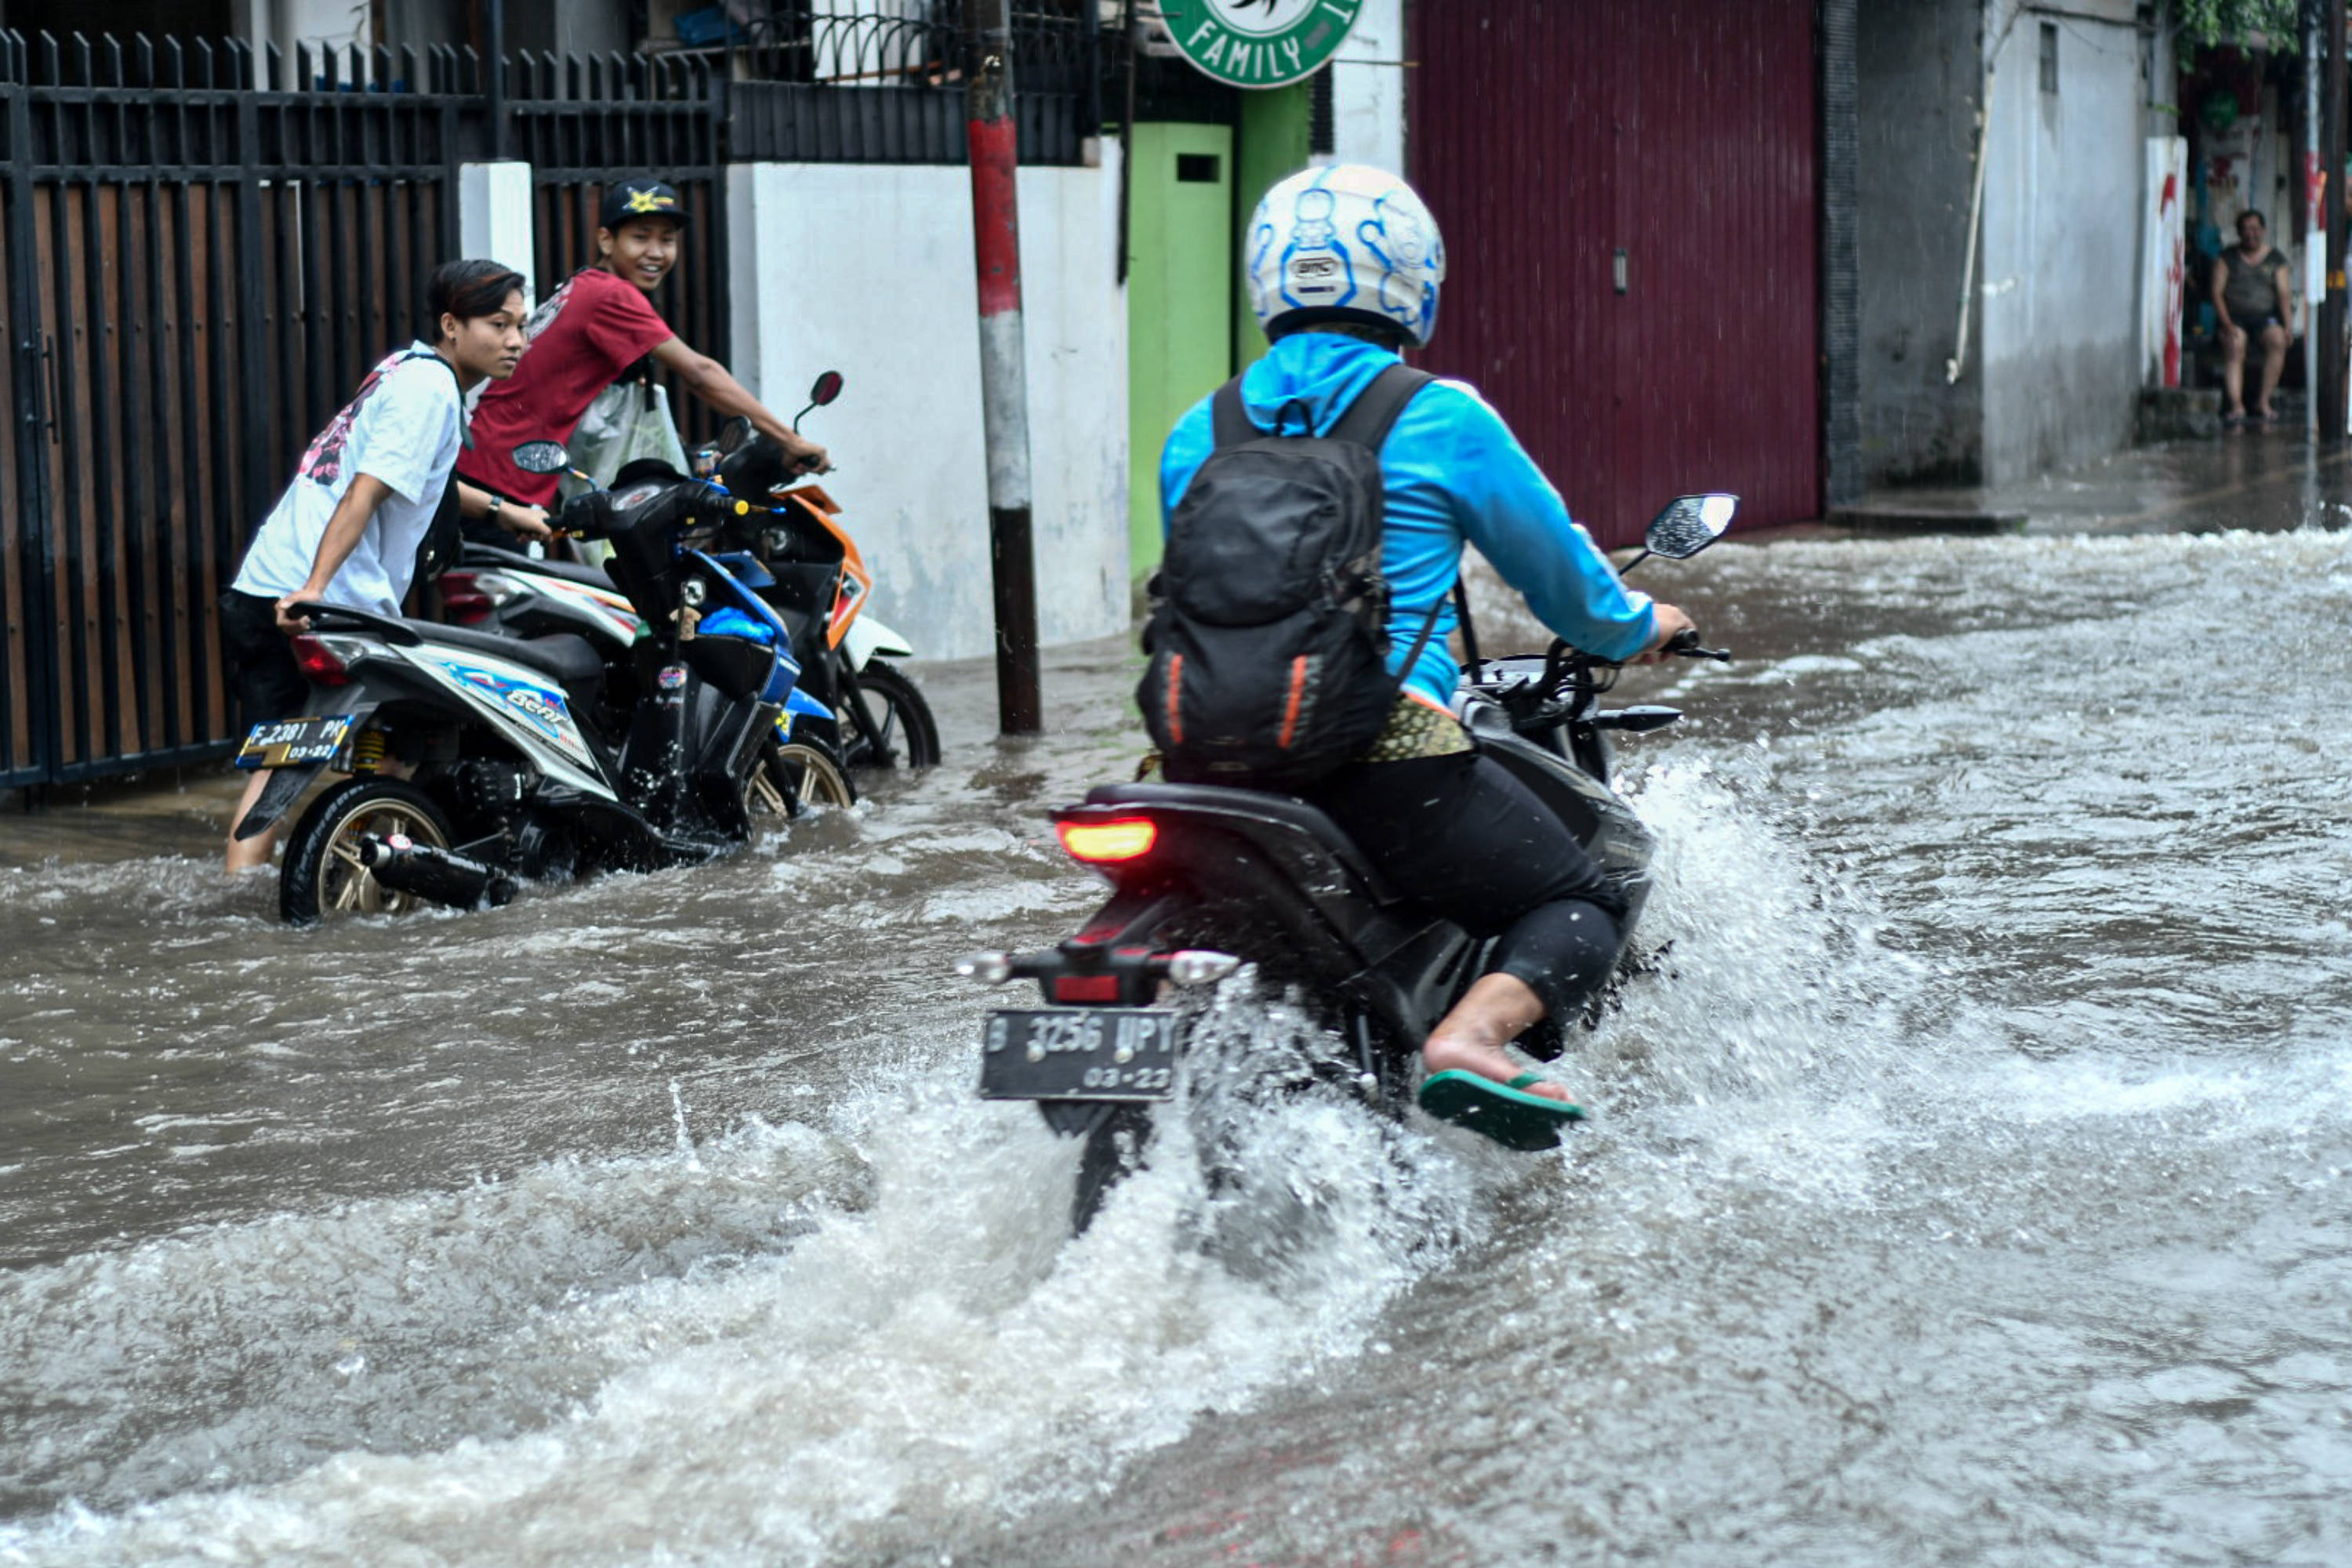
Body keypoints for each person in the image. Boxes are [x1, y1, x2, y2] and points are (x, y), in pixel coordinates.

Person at [1156, 163, 1696, 1136]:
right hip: (1380, 755)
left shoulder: (1199, 429)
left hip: (1204, 760)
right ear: (1416, 280)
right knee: (1593, 885)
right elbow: (1567, 589)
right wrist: (1643, 625)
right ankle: (1471, 1039)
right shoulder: (1442, 416)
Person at [220, 259, 542, 875]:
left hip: (265, 587)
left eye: (521, 326)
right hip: (321, 600)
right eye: (498, 324)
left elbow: (414, 478)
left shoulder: (406, 370)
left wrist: (505, 511)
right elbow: (366, 490)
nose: (515, 342)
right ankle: (372, 870)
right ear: (452, 325)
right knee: (413, 728)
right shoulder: (429, 391)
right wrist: (314, 590)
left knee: (280, 768)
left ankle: (273, 895)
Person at [455, 178, 827, 546]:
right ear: (606, 241)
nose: (655, 252)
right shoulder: (612, 296)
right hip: (500, 478)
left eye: (667, 240)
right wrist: (790, 440)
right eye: (640, 237)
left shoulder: (583, 285)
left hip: (488, 465)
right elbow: (699, 374)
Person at [2210, 209, 2299, 425]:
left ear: (2263, 230)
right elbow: (2216, 292)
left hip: (2265, 317)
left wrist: (2288, 326)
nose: (2251, 234)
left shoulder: (2276, 259)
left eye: (2255, 229)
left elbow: (2283, 295)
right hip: (2234, 317)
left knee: (2277, 341)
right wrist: (2226, 323)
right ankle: (2236, 405)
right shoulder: (2227, 257)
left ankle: (2263, 402)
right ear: (2239, 232)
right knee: (2235, 344)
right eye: (2246, 229)